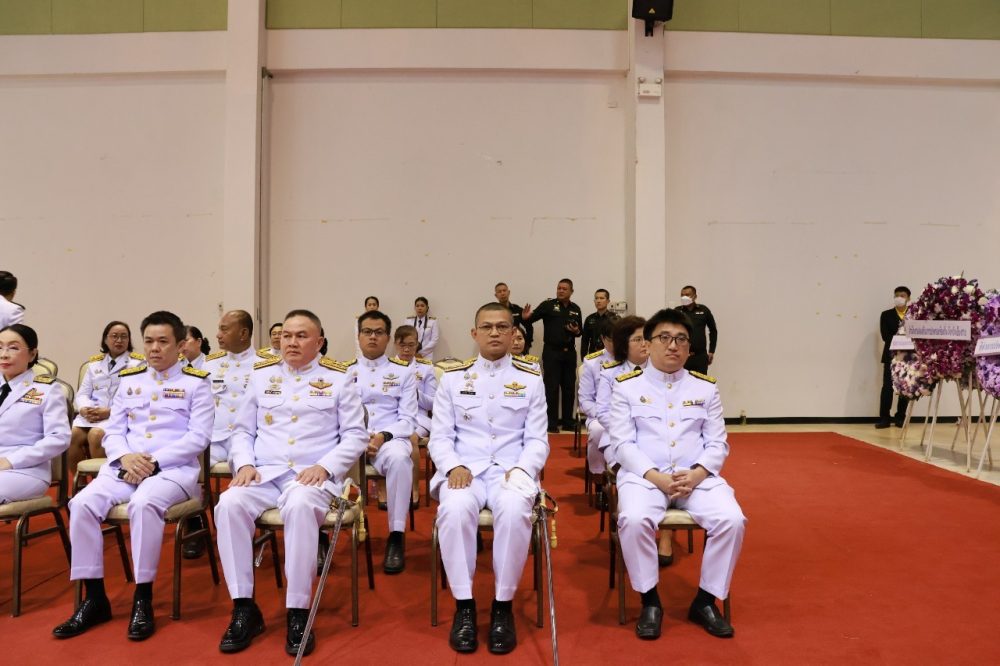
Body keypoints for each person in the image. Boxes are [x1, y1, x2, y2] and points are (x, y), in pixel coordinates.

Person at [212, 309, 367, 656]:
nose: (291, 342)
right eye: (287, 335)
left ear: (319, 342)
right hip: (265, 473)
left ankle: (298, 611)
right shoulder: (261, 376)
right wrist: (244, 464)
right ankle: (243, 607)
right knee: (229, 504)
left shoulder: (339, 378)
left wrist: (325, 467)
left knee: (299, 506)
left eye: (301, 336)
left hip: (312, 477)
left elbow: (356, 436)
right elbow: (242, 431)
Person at [53, 311, 214, 642]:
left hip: (173, 470)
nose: (154, 348)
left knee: (143, 504)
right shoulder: (130, 380)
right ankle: (94, 598)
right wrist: (124, 456)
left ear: (180, 346)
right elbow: (113, 431)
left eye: (163, 341)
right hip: (125, 466)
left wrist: (153, 462)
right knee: (81, 503)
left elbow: (198, 438)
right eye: (149, 341)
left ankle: (143, 597)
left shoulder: (196, 383)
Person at [610, 308, 745, 640]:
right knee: (634, 519)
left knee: (732, 520)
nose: (673, 345)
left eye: (681, 339)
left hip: (695, 478)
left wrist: (698, 474)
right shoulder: (627, 387)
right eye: (665, 338)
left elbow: (718, 443)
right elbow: (622, 444)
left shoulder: (705, 388)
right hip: (645, 477)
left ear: (689, 347)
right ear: (648, 344)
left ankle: (705, 601)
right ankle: (650, 601)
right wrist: (656, 477)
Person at [429, 302, 548, 655]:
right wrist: (452, 466)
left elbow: (538, 439)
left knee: (513, 511)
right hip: (464, 470)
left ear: (513, 333)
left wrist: (523, 470)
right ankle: (464, 607)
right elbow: (439, 437)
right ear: (474, 333)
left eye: (502, 327)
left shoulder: (531, 379)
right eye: (487, 327)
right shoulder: (453, 379)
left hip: (511, 470)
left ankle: (502, 606)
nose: (494, 332)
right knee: (454, 511)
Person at [342, 310, 417, 573]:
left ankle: (396, 535)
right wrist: (358, 437)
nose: (372, 337)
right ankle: (321, 536)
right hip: (352, 437)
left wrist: (382, 436)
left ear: (388, 338)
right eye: (367, 332)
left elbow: (408, 419)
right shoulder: (344, 372)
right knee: (321, 455)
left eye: (379, 332)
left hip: (389, 438)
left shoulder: (403, 372)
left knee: (400, 459)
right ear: (359, 336)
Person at [182, 309, 256, 560]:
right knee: (188, 465)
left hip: (248, 438)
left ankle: (246, 530)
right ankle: (195, 524)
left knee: (247, 474)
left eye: (224, 329)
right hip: (214, 437)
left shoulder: (263, 365)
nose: (217, 334)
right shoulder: (210, 364)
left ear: (243, 333)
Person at [0, 324, 70, 504]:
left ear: (32, 354)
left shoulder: (47, 390)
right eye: (0, 347)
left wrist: (10, 461)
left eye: (13, 348)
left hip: (25, 470)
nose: (4, 354)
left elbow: (59, 438)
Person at [68, 321, 144, 480]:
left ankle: (103, 481)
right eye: (114, 336)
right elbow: (82, 394)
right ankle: (80, 483)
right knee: (72, 435)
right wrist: (85, 409)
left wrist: (109, 412)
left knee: (96, 435)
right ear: (105, 339)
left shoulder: (137, 364)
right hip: (92, 415)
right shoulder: (94, 364)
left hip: (117, 416)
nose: (119, 340)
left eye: (124, 337)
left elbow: (137, 399)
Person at [521, 278, 583, 432]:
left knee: (569, 388)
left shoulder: (576, 308)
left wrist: (576, 331)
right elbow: (530, 319)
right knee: (551, 388)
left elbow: (579, 331)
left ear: (571, 291)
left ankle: (568, 421)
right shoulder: (548, 305)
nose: (560, 291)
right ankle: (551, 423)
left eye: (564, 289)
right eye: (559, 288)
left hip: (569, 353)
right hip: (552, 352)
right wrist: (525, 318)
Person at [393, 324, 436, 505]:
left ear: (417, 344)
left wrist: (415, 394)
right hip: (393, 416)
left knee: (410, 438)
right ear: (395, 344)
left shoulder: (425, 369)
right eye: (402, 345)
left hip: (419, 418)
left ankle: (414, 488)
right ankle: (385, 487)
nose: (406, 349)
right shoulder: (387, 367)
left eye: (411, 345)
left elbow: (434, 403)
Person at [578, 317, 615, 482]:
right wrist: (603, 415)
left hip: (627, 413)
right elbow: (585, 400)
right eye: (611, 339)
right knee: (598, 431)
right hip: (599, 415)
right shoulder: (592, 362)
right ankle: (598, 475)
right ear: (603, 339)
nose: (616, 343)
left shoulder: (634, 358)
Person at [877, 286, 911, 429]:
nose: (899, 298)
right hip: (890, 355)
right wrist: (903, 336)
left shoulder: (915, 314)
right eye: (896, 295)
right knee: (887, 387)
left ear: (908, 298)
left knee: (905, 387)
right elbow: (885, 336)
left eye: (902, 295)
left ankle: (900, 417)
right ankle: (884, 418)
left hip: (908, 356)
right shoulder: (886, 315)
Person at [674, 285, 717, 375]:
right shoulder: (677, 312)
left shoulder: (704, 310)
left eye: (687, 295)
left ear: (695, 296)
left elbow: (713, 330)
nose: (684, 297)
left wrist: (711, 351)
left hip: (700, 356)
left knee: (701, 381)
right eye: (682, 295)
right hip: (681, 355)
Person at [580, 288, 618, 360]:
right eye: (596, 298)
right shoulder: (589, 319)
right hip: (593, 355)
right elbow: (585, 340)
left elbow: (619, 339)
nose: (598, 301)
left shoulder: (614, 318)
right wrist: (583, 358)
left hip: (610, 355)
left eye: (601, 298)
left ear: (608, 301)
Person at [495, 282, 533, 353]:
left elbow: (529, 327)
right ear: (496, 295)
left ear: (508, 292)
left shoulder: (517, 309)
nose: (502, 293)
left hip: (516, 346)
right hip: (500, 347)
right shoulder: (493, 311)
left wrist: (527, 343)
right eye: (499, 291)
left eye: (504, 290)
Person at [405, 296, 440, 361]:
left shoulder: (433, 322)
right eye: (417, 306)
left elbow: (434, 340)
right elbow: (405, 338)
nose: (419, 308)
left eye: (422, 306)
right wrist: (412, 351)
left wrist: (421, 353)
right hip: (410, 354)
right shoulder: (408, 321)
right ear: (415, 308)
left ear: (427, 308)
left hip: (426, 356)